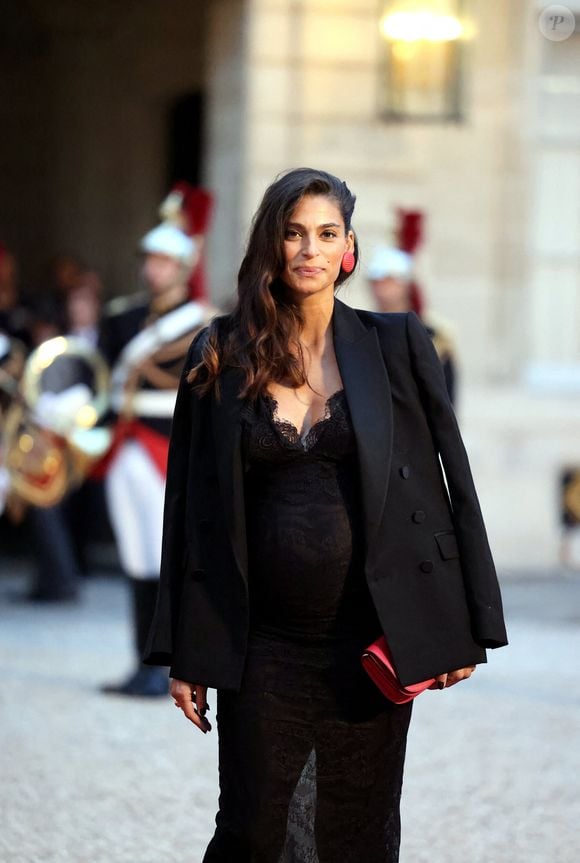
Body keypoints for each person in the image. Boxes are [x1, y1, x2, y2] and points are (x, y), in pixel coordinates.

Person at [144, 168, 508, 861]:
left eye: (326, 233)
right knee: (251, 827)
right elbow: (189, 509)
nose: (308, 249)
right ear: (271, 246)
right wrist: (183, 649)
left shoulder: (397, 343)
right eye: (292, 233)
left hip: (371, 639)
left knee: (357, 830)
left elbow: (451, 484)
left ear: (348, 247)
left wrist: (466, 626)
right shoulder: (220, 351)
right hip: (261, 642)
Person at [99, 220, 215, 697]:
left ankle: (166, 665)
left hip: (168, 444)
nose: (154, 269)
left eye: (164, 261)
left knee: (163, 557)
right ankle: (139, 661)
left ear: (184, 268)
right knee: (135, 558)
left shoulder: (202, 324)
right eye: (150, 260)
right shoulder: (123, 319)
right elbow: (105, 380)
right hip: (124, 442)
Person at [367, 244, 458, 404]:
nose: (381, 287)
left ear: (405, 284)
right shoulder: (362, 330)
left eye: (389, 280)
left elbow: (445, 401)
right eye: (376, 281)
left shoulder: (433, 337)